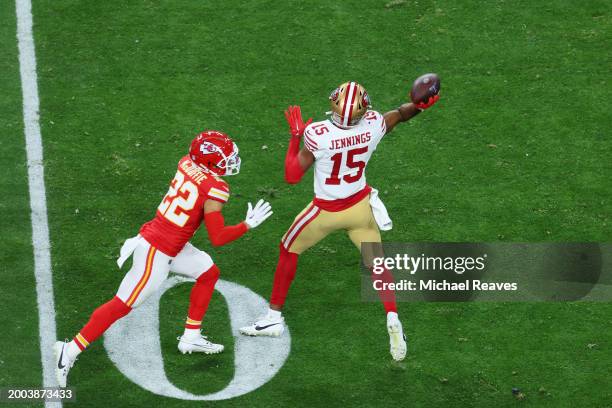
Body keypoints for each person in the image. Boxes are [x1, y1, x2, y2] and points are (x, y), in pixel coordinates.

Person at [54, 130, 273, 387]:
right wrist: (247, 225)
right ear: (210, 162)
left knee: (208, 273)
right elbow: (218, 237)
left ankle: (191, 336)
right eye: (225, 157)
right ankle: (67, 352)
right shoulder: (217, 188)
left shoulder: (186, 162)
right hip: (156, 251)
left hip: (171, 242)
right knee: (121, 305)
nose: (231, 161)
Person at [240, 81, 439, 361]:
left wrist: (295, 136)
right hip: (359, 207)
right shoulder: (373, 124)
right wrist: (421, 105)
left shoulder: (316, 134)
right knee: (377, 263)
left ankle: (273, 317)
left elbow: (291, 176)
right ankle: (392, 316)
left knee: (288, 249)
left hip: (325, 211)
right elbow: (401, 113)